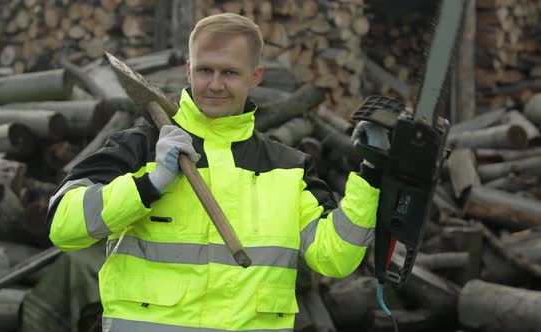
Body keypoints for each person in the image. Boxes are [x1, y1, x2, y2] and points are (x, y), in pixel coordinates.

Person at [47, 12, 387, 332]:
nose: (214, 85)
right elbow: (63, 223)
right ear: (188, 70)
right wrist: (148, 186)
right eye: (205, 70)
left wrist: (370, 175)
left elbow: (335, 258)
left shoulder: (288, 168)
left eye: (229, 73)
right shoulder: (139, 149)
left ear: (255, 76)